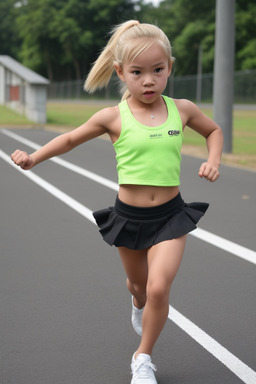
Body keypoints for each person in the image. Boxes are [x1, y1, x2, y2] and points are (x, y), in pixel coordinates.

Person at [11, 20, 223, 384]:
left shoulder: (182, 109)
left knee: (159, 287)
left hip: (171, 215)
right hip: (129, 218)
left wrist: (213, 159)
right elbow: (69, 140)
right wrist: (33, 158)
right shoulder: (113, 116)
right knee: (139, 287)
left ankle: (143, 358)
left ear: (170, 67)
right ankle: (137, 301)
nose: (148, 81)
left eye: (158, 71)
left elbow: (214, 131)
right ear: (120, 72)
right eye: (138, 73)